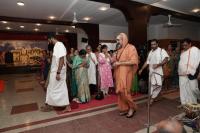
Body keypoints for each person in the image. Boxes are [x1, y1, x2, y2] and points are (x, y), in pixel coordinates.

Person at [41, 35, 71, 113]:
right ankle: (49, 104)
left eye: (48, 41)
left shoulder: (59, 45)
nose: (48, 42)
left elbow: (61, 59)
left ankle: (66, 106)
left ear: (51, 39)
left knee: (59, 89)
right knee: (51, 88)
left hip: (58, 72)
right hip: (56, 71)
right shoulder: (58, 45)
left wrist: (58, 72)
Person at [113, 33, 138, 118]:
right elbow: (114, 60)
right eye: (116, 40)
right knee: (120, 92)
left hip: (127, 74)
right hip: (118, 73)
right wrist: (113, 58)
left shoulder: (131, 48)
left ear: (123, 39)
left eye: (118, 40)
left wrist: (119, 63)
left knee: (125, 91)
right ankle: (124, 108)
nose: (117, 41)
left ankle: (132, 107)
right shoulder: (119, 49)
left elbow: (133, 61)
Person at [139, 39, 169, 105]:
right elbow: (147, 62)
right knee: (152, 86)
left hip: (159, 72)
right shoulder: (150, 52)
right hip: (151, 73)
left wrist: (158, 64)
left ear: (157, 44)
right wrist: (141, 69)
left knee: (158, 86)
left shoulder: (161, 50)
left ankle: (152, 98)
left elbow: (166, 59)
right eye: (151, 44)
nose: (153, 46)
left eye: (154, 44)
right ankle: (152, 99)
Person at [178, 38, 200, 105]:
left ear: (190, 44)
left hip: (192, 73)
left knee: (194, 89)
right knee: (183, 89)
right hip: (182, 74)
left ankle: (198, 98)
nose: (184, 47)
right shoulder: (182, 52)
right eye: (183, 45)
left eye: (186, 45)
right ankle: (185, 103)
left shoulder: (195, 50)